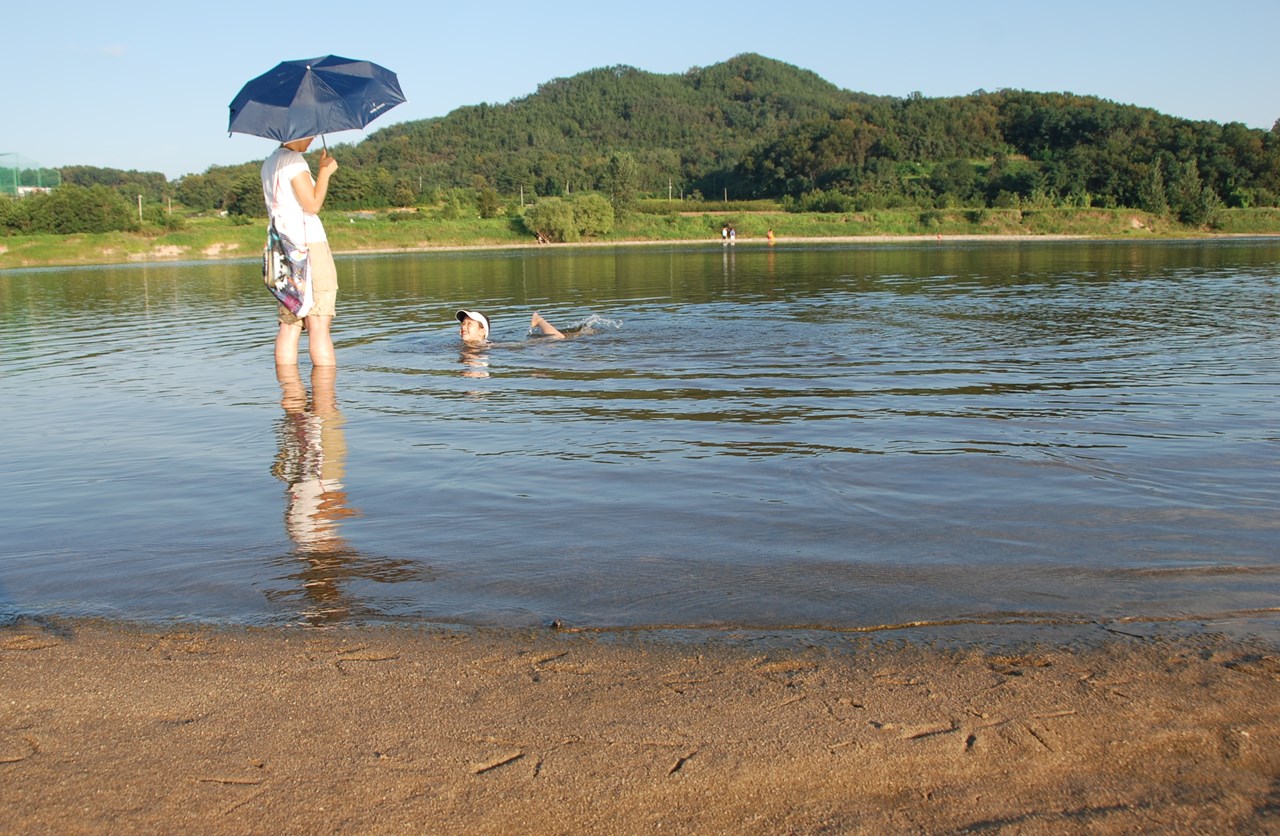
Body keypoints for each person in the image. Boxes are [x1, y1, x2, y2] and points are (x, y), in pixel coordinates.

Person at [262, 136, 339, 366]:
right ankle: (325, 398)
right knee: (319, 324)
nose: (313, 138)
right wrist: (324, 173)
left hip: (283, 250)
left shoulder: (269, 163)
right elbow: (312, 205)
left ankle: (291, 397)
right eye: (310, 133)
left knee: (288, 325)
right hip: (309, 247)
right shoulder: (294, 161)